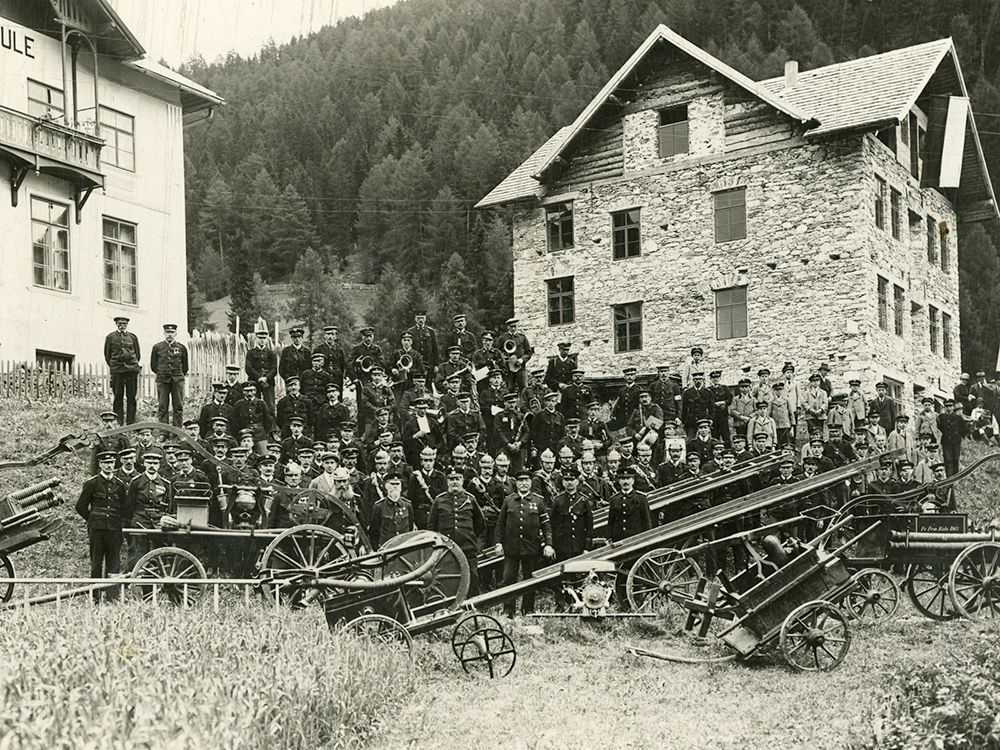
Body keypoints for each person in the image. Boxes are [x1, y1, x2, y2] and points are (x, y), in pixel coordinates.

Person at [493, 470, 554, 617]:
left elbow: (546, 525)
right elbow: (500, 525)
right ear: (516, 483)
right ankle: (508, 610)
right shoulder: (508, 501)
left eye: (527, 480)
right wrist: (498, 543)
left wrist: (548, 544)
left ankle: (528, 610)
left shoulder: (538, 501)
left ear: (531, 483)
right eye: (520, 481)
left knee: (530, 580)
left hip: (531, 547)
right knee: (508, 578)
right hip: (512, 547)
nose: (524, 483)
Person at [76, 451, 128, 594]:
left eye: (111, 463)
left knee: (114, 562)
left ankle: (112, 596)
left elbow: (124, 507)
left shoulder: (119, 484)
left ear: (114, 464)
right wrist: (93, 519)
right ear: (100, 464)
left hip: (114, 529)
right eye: (105, 463)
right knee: (96, 563)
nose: (109, 466)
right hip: (97, 529)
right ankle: (95, 597)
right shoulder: (92, 483)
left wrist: (119, 522)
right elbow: (80, 506)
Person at [428, 468, 485, 595]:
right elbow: (432, 527)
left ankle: (473, 604)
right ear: (447, 481)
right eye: (451, 479)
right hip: (446, 550)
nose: (454, 482)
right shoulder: (439, 500)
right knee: (448, 579)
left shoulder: (471, 499)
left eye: (457, 479)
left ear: (462, 480)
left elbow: (480, 524)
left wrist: (467, 536)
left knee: (472, 578)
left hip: (467, 548)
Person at [104, 316, 141, 425]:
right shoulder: (110, 337)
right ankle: (118, 422)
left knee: (131, 396)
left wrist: (132, 364)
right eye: (120, 324)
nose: (122, 326)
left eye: (124, 324)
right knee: (118, 396)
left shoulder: (132, 337)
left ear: (127, 325)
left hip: (131, 370)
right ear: (116, 324)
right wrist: (114, 365)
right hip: (117, 370)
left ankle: (131, 423)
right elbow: (107, 355)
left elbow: (137, 354)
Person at [150, 323, 188, 427]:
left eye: (172, 332)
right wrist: (162, 373)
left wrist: (178, 375)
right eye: (167, 332)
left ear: (176, 333)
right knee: (162, 406)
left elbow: (185, 366)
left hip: (177, 380)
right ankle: (164, 430)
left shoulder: (181, 348)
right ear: (164, 333)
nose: (169, 334)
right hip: (163, 380)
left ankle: (177, 430)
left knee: (178, 406)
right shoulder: (157, 347)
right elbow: (154, 366)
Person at [368, 474, 414, 548]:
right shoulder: (379, 506)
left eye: (397, 484)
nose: (395, 486)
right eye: (392, 484)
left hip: (404, 546)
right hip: (386, 547)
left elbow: (410, 527)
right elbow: (374, 531)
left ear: (401, 487)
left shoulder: (408, 505)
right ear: (386, 486)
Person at [607, 471, 651, 542]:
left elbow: (646, 521)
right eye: (623, 479)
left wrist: (647, 538)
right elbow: (611, 522)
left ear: (633, 481)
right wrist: (609, 538)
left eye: (628, 479)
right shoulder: (614, 500)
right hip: (619, 539)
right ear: (619, 481)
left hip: (636, 538)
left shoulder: (641, 498)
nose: (625, 482)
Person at [495, 318, 534, 392]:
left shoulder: (522, 337)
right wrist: (504, 359)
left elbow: (529, 352)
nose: (513, 328)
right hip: (508, 368)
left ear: (517, 326)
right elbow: (497, 352)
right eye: (511, 326)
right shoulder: (503, 338)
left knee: (524, 388)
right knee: (510, 388)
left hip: (521, 367)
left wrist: (521, 360)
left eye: (514, 326)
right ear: (508, 327)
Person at [245, 328, 278, 414]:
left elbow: (274, 369)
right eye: (260, 338)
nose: (262, 340)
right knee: (254, 404)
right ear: (256, 339)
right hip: (254, 381)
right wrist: (259, 377)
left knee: (270, 406)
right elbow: (248, 368)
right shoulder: (250, 353)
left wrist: (266, 378)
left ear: (267, 339)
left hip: (268, 382)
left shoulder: (271, 353)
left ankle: (270, 422)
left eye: (264, 338)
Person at [314, 325, 348, 398]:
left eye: (332, 334)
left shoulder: (339, 350)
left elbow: (342, 365)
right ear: (324, 336)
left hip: (337, 379)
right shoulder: (318, 349)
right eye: (328, 334)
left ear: (335, 336)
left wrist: (340, 375)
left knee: (337, 398)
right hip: (323, 378)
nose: (330, 337)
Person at [405, 311, 439, 383]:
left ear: (425, 319)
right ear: (415, 319)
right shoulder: (411, 331)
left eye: (422, 318)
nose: (421, 320)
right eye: (418, 318)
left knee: (428, 382)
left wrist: (436, 364)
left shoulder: (430, 331)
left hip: (429, 362)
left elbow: (435, 348)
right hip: (415, 363)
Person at [937, 399, 967, 476]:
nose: (948, 408)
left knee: (955, 458)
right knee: (948, 459)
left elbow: (963, 429)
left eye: (950, 406)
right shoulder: (941, 417)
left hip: (956, 441)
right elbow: (939, 427)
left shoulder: (958, 418)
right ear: (944, 407)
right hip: (946, 441)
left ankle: (955, 477)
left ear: (953, 407)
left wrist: (960, 437)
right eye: (946, 406)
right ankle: (949, 477)